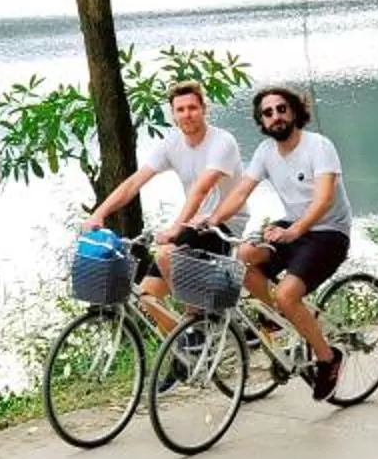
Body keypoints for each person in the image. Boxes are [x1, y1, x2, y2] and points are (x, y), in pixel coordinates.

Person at [203, 82, 351, 400]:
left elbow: (324, 199)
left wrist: (295, 230)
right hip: (293, 227)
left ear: (295, 112)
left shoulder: (318, 146)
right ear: (262, 122)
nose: (276, 116)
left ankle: (328, 358)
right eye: (267, 113)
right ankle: (280, 317)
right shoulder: (265, 152)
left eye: (281, 109)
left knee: (287, 295)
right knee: (243, 255)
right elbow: (241, 191)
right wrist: (211, 220)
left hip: (329, 232)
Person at [86, 81, 242, 323]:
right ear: (173, 114)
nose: (187, 114)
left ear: (204, 109)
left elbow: (202, 189)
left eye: (192, 108)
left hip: (225, 222)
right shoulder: (172, 143)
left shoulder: (223, 142)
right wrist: (99, 213)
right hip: (193, 224)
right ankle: (186, 351)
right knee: (148, 297)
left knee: (166, 254)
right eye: (180, 110)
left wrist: (176, 228)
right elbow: (134, 183)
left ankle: (197, 323)